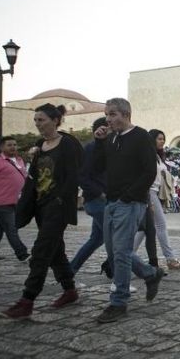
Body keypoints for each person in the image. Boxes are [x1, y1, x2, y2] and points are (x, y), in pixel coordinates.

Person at [2, 104, 83, 319]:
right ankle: (70, 290)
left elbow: (73, 175)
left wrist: (60, 199)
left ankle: (27, 299)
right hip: (40, 206)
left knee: (41, 251)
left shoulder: (67, 144)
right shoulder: (39, 145)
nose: (38, 124)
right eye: (36, 120)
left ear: (55, 120)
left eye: (42, 120)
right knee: (55, 251)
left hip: (58, 206)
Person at [92, 98, 165, 323]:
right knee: (115, 251)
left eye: (113, 114)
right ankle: (151, 274)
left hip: (130, 202)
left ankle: (118, 301)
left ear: (125, 114)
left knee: (121, 253)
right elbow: (97, 167)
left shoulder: (141, 136)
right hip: (111, 202)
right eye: (107, 114)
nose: (108, 118)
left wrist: (129, 196)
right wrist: (99, 143)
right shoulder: (111, 138)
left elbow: (148, 172)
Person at [133, 129, 180, 270]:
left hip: (155, 193)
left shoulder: (157, 156)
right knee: (161, 226)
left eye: (163, 139)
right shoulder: (148, 155)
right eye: (159, 139)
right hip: (148, 193)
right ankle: (170, 259)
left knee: (144, 229)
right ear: (152, 139)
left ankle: (127, 255)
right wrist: (148, 200)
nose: (162, 141)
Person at [69, 117, 109, 274]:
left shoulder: (109, 148)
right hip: (97, 201)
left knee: (96, 239)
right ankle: (146, 272)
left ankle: (70, 271)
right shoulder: (91, 148)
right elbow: (82, 176)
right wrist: (100, 193)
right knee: (116, 241)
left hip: (101, 200)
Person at [0, 136, 30, 262]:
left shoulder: (19, 160)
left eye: (15, 145)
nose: (13, 147)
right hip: (1, 202)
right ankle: (22, 254)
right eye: (9, 145)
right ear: (2, 147)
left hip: (16, 201)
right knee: (11, 228)